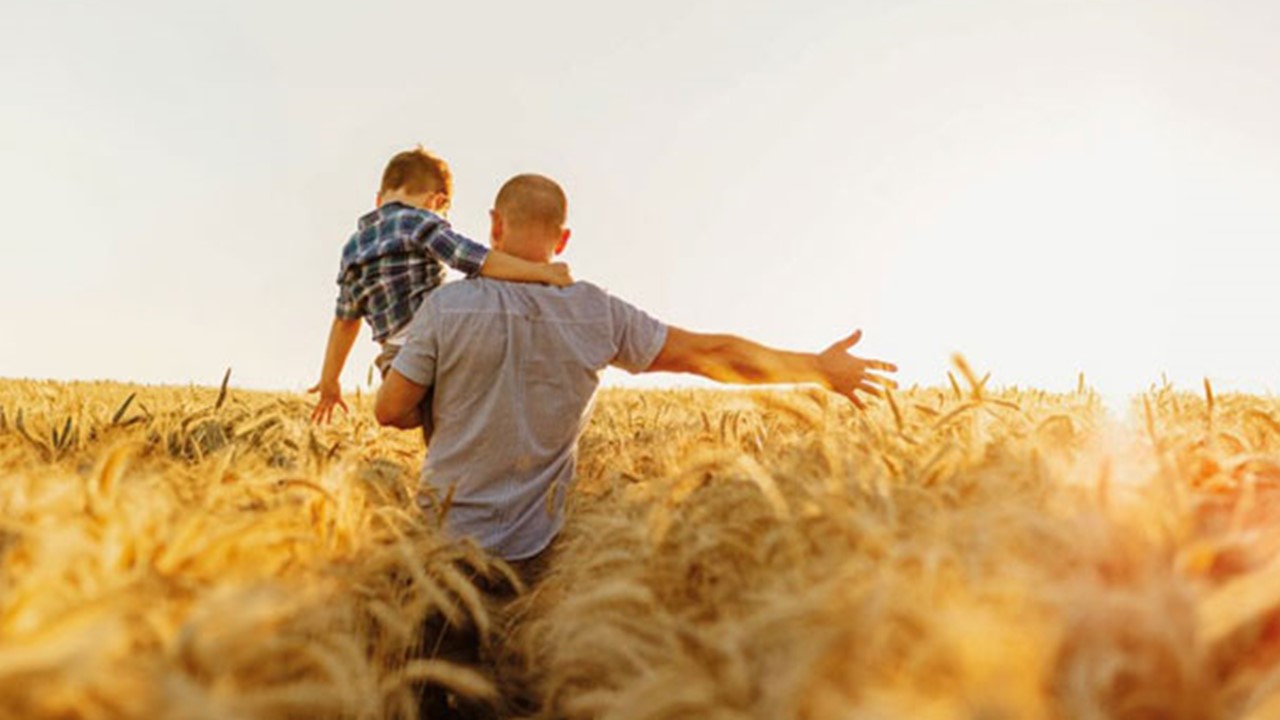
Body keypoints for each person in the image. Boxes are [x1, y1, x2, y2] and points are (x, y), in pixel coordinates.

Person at [374, 173, 897, 581]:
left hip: (441, 552)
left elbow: (391, 411)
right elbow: (710, 353)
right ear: (564, 237)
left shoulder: (446, 307)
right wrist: (818, 369)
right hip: (542, 556)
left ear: (493, 226)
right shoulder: (596, 312)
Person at [308, 147, 574, 424]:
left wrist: (330, 381)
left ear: (378, 200)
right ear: (436, 201)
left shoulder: (352, 247)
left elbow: (345, 320)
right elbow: (473, 259)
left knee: (397, 415)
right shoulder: (420, 220)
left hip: (397, 357)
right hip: (446, 338)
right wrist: (541, 272)